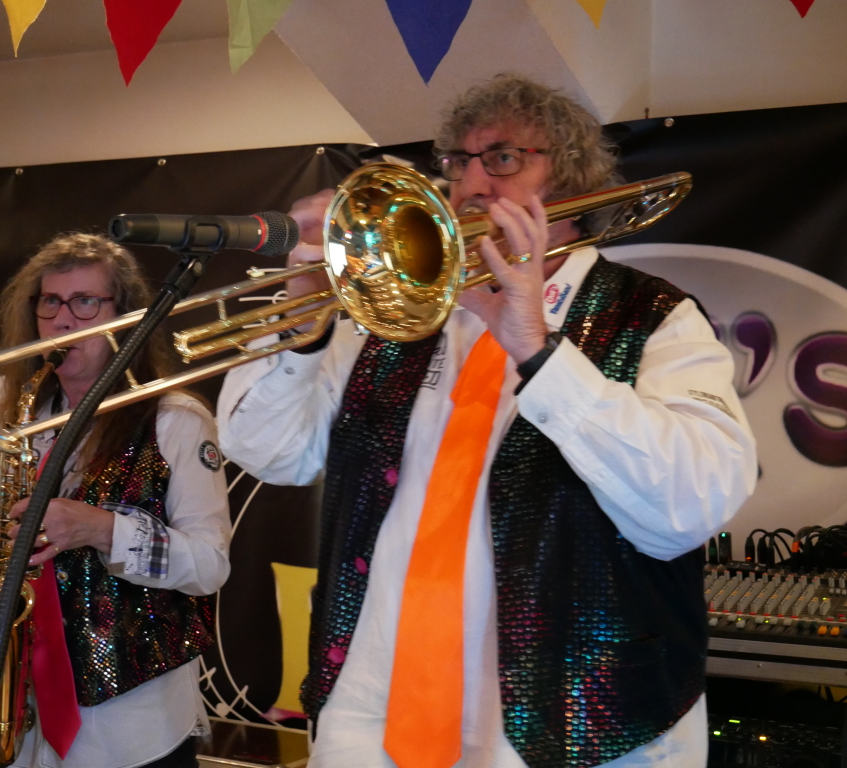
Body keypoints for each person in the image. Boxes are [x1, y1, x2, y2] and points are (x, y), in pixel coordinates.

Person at [217, 73, 757, 768]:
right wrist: (304, 312)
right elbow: (268, 452)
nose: (472, 182)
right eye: (458, 162)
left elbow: (692, 503)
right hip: (370, 715)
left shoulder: (653, 315)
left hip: (578, 724)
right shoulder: (394, 315)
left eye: (502, 158)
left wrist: (538, 351)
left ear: (569, 179)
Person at [0, 233, 231, 768]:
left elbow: (209, 565)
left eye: (86, 302)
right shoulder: (12, 429)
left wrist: (103, 530)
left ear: (126, 315)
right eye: (50, 302)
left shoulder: (176, 420)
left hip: (135, 725)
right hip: (20, 720)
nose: (65, 321)